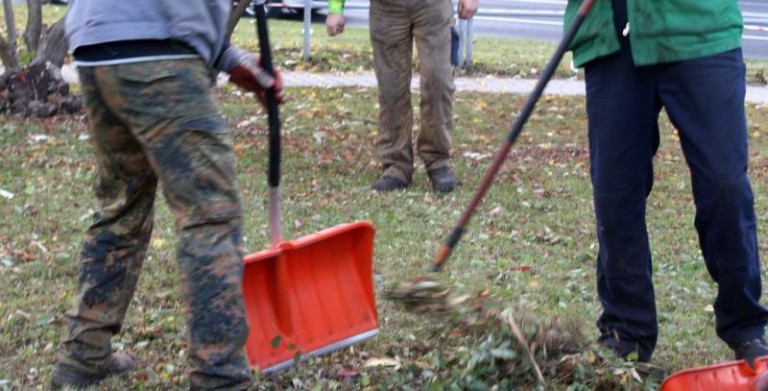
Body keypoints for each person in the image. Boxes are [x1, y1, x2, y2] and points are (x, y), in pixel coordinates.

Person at [51, 0, 284, 389]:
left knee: (122, 207)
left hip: (95, 49)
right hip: (161, 56)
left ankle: (83, 354)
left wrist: (229, 58)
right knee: (209, 215)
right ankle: (219, 377)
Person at [564, 0, 768, 366]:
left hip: (700, 30)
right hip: (610, 37)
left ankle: (746, 325)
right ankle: (626, 332)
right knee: (616, 194)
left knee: (725, 187)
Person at [326, 0, 479, 192]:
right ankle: (396, 165)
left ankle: (437, 161)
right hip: (386, 9)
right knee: (391, 89)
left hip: (433, 7)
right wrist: (335, 8)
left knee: (438, 82)